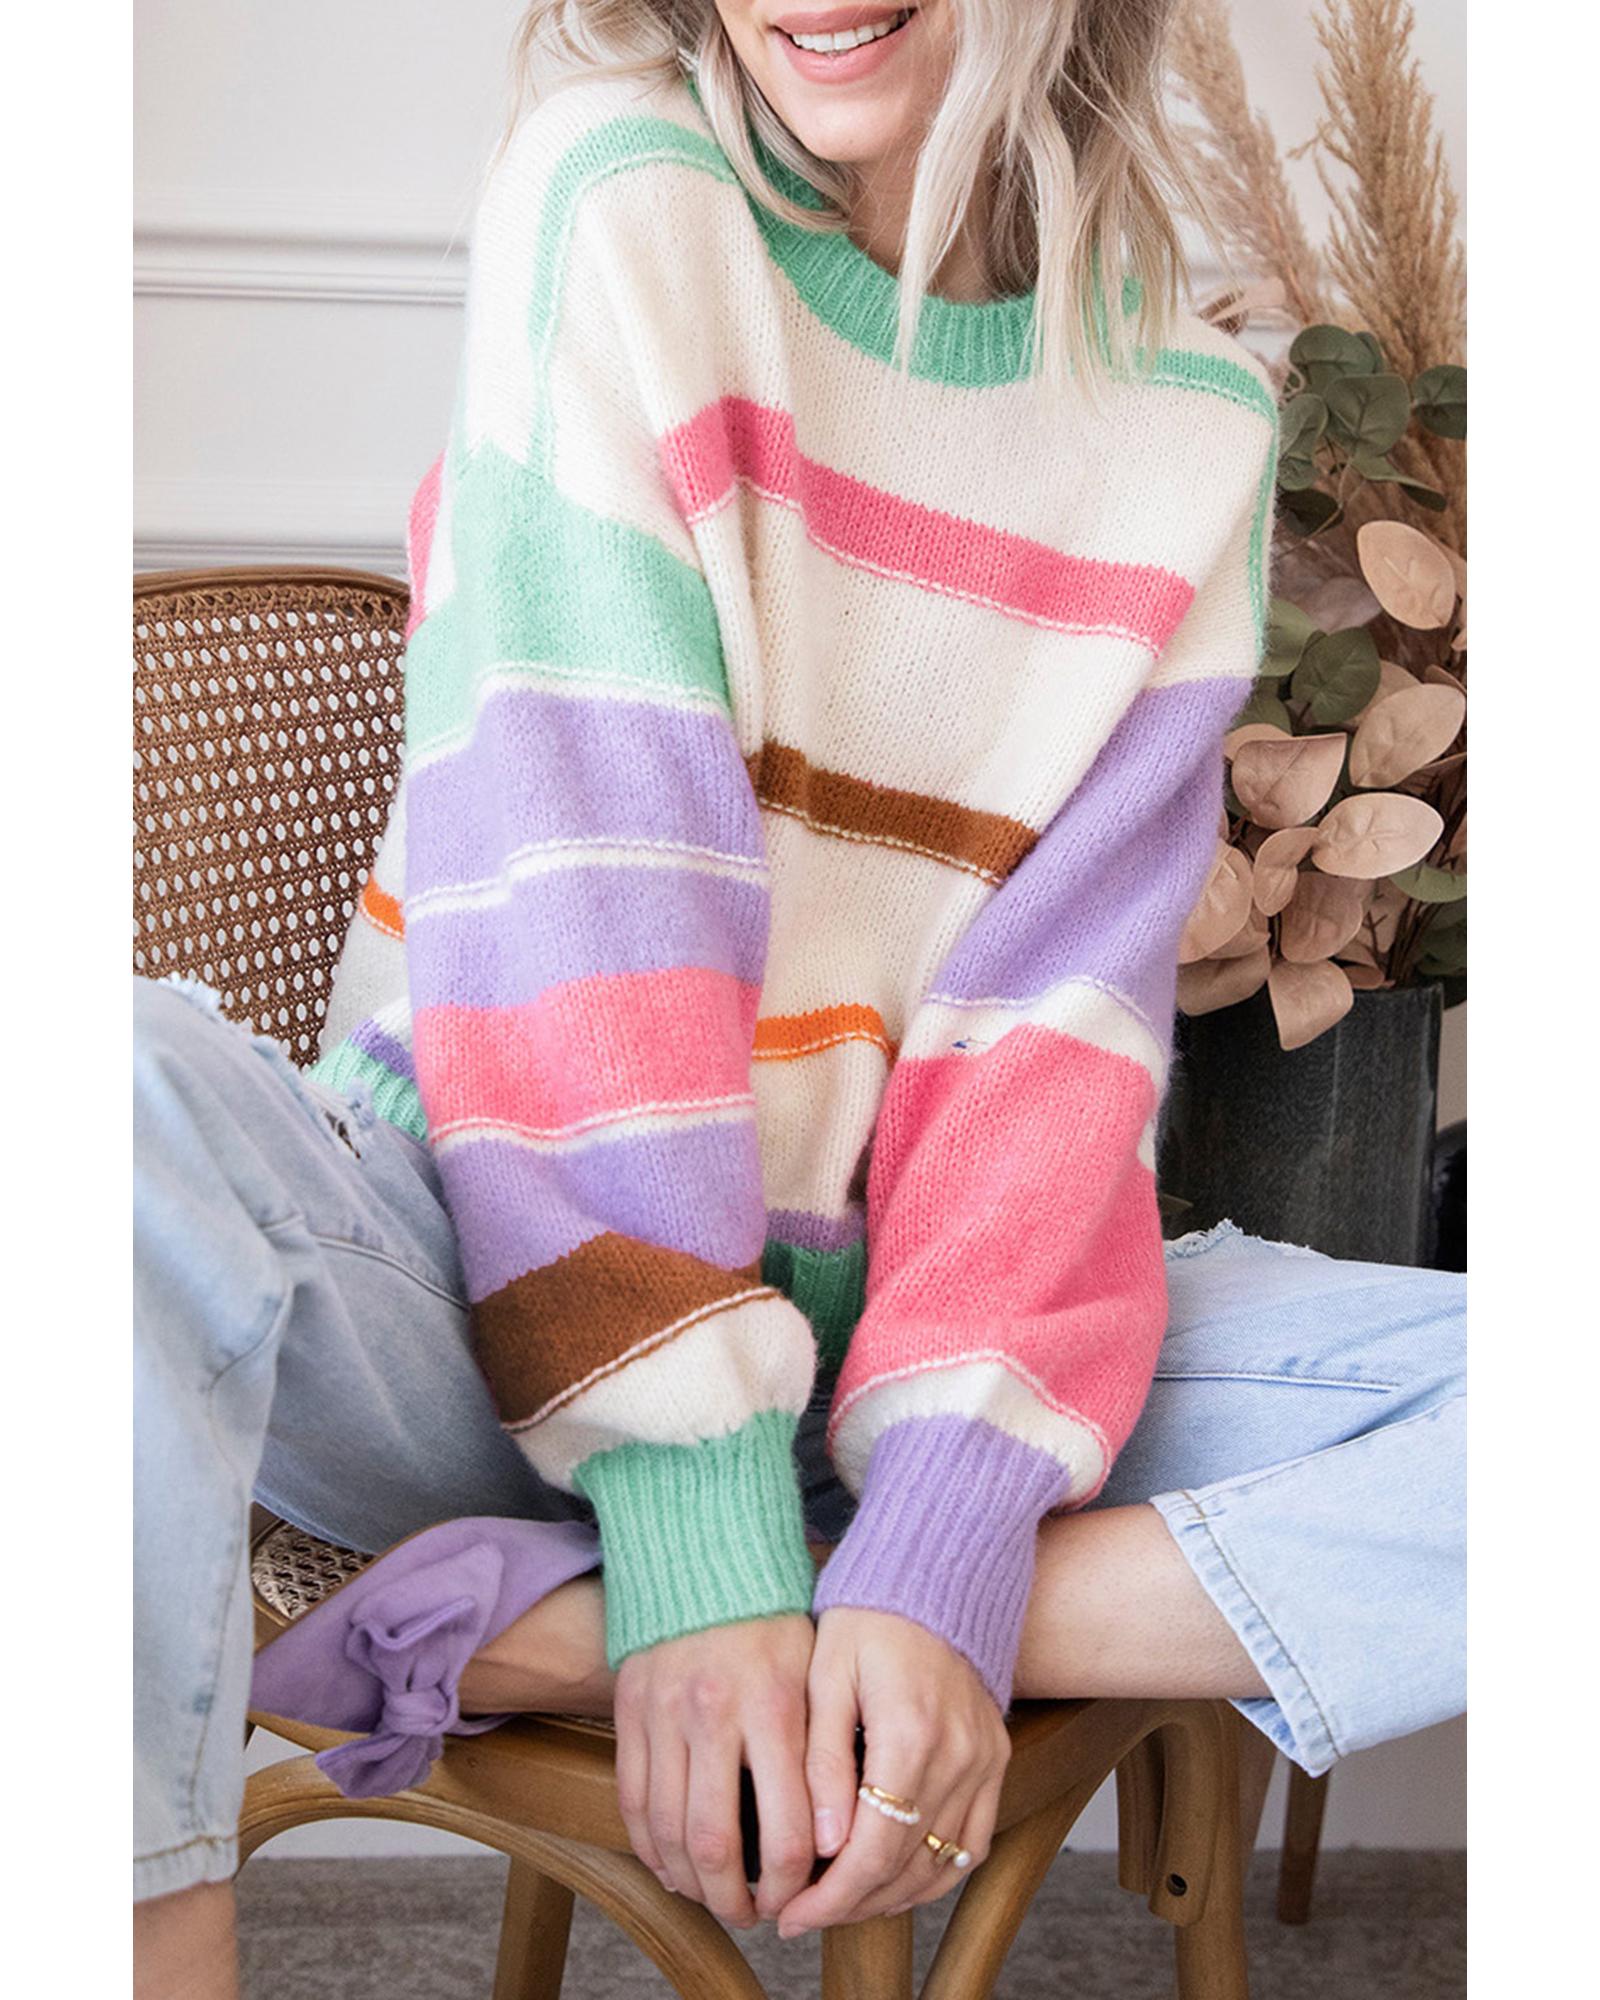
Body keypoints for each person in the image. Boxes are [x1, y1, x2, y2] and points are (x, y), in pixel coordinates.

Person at [132, 4, 1467, 1993]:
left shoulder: (1185, 420)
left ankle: (546, 1631)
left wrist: (938, 1563)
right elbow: (587, 908)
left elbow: (1047, 1053)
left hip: (905, 1338)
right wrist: (696, 1530)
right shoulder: (620, 198)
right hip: (481, 1280)